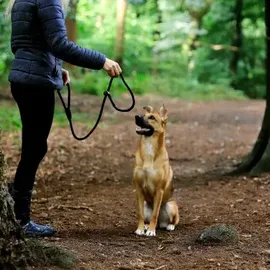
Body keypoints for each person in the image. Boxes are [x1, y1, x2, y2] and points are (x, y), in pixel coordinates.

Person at [5, 0, 122, 237]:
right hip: (35, 84)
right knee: (34, 148)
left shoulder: (19, 0)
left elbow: (24, 44)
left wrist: (56, 67)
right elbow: (60, 44)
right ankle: (21, 219)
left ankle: (13, 202)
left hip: (24, 80)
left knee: (34, 147)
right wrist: (102, 61)